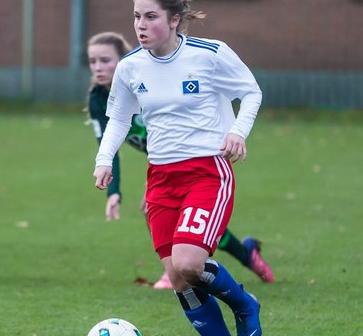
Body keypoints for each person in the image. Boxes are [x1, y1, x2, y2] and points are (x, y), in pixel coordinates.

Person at [94, 0, 264, 336]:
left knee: (189, 263)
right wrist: (104, 159)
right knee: (178, 277)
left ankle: (244, 303)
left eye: (150, 17)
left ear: (174, 20)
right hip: (161, 178)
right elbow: (118, 118)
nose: (140, 24)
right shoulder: (130, 67)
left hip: (207, 171)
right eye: (136, 16)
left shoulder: (210, 54)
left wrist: (237, 132)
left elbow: (251, 92)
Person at [86, 30, 275, 289]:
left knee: (193, 228)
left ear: (123, 58)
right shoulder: (98, 99)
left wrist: (234, 130)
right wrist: (113, 191)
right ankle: (185, 267)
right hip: (161, 163)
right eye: (92, 61)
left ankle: (243, 259)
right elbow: (110, 142)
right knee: (180, 225)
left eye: (105, 60)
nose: (98, 67)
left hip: (195, 159)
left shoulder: (148, 78)